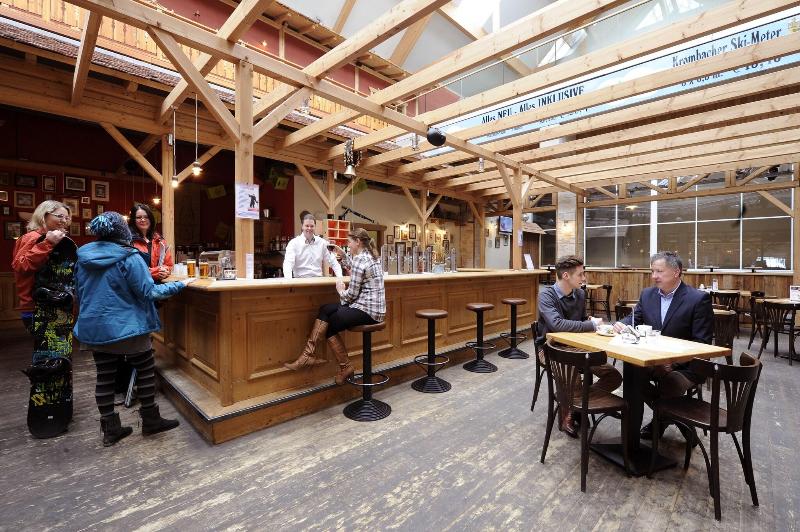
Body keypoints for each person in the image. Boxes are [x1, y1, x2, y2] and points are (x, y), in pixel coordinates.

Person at [74, 212, 196, 447]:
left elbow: (78, 293)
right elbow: (149, 292)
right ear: (121, 231)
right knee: (145, 369)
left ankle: (111, 430)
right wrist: (180, 285)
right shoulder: (129, 256)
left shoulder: (83, 257)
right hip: (128, 325)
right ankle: (151, 421)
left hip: (95, 326)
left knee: (105, 377)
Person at [612, 250, 713, 438]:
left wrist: (673, 363)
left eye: (659, 271)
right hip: (653, 360)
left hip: (687, 366)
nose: (654, 276)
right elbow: (634, 319)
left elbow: (702, 344)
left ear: (676, 272)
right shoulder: (647, 295)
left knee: (671, 382)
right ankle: (680, 421)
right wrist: (621, 325)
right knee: (633, 376)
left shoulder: (698, 299)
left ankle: (659, 423)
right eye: (652, 271)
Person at [284, 228, 385, 386]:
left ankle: (343, 366)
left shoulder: (360, 259)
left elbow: (351, 295)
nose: (348, 245)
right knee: (325, 309)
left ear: (358, 242)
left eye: (349, 242)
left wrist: (340, 291)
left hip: (367, 311)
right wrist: (343, 255)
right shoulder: (370, 255)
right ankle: (308, 356)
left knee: (330, 323)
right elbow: (356, 269)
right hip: (374, 310)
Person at [536, 255, 622, 437]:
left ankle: (579, 404)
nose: (584, 278)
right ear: (566, 276)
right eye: (581, 274)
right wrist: (591, 324)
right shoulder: (546, 295)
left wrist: (590, 322)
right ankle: (568, 412)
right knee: (573, 378)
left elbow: (582, 320)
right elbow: (556, 324)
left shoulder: (580, 294)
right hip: (551, 350)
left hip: (578, 347)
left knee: (613, 376)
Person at [12, 201, 76, 437]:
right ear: (44, 215)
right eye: (59, 216)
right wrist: (47, 243)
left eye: (67, 217)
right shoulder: (32, 238)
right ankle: (46, 408)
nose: (64, 221)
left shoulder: (61, 241)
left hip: (58, 310)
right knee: (48, 360)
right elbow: (21, 266)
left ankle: (58, 405)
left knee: (60, 359)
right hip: (37, 310)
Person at [283, 213, 343, 281]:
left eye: (312, 226)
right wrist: (288, 282)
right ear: (302, 226)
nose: (309, 228)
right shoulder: (293, 243)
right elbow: (288, 264)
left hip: (318, 281)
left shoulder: (322, 243)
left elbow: (333, 262)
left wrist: (340, 279)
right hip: (300, 281)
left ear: (315, 227)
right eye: (307, 226)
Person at [128, 203, 174, 282]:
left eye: (146, 217)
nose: (143, 220)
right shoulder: (128, 241)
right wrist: (155, 272)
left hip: (158, 285)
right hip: (137, 286)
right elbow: (130, 269)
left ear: (151, 219)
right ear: (133, 220)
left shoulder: (159, 240)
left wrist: (165, 271)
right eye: (139, 217)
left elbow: (168, 264)